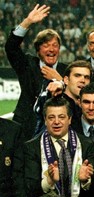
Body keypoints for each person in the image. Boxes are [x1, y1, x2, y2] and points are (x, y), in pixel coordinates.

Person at [13, 96, 94, 197]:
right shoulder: (31, 147)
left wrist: (84, 181)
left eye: (61, 117)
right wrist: (49, 181)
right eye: (51, 117)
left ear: (69, 119)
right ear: (45, 120)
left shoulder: (87, 145)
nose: (56, 122)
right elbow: (30, 189)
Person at [5, 4, 67, 139]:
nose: (51, 49)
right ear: (38, 50)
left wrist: (60, 80)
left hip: (56, 131)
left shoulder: (67, 70)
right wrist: (27, 22)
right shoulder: (27, 64)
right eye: (46, 45)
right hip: (25, 129)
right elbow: (11, 47)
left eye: (55, 45)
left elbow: (77, 95)